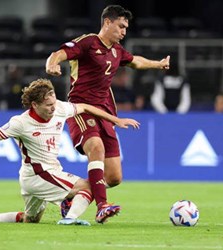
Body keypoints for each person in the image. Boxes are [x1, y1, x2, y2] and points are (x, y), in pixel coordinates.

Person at [45, 5, 170, 223]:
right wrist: (52, 65)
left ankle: (71, 195)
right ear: (107, 23)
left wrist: (158, 64)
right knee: (96, 147)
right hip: (81, 109)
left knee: (113, 177)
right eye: (121, 26)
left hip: (106, 113)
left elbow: (136, 62)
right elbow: (58, 54)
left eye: (126, 28)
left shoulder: (116, 51)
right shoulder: (88, 43)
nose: (124, 32)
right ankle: (102, 206)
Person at [0, 78, 140, 226]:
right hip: (39, 174)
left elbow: (86, 108)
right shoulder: (20, 122)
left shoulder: (60, 108)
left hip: (38, 175)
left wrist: (116, 120)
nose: (53, 108)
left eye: (55, 103)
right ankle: (69, 218)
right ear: (34, 105)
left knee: (30, 219)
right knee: (91, 186)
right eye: (48, 105)